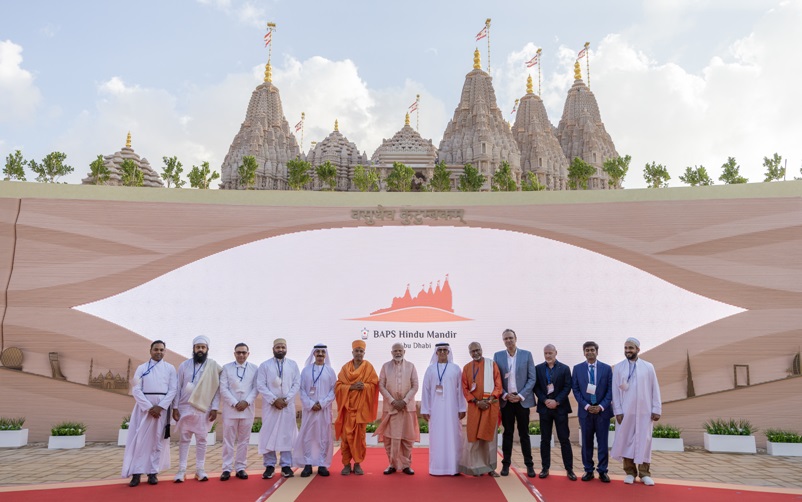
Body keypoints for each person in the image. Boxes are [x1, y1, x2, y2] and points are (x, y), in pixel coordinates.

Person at [122, 340, 177, 487]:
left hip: (162, 410)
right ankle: (136, 473)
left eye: (161, 350)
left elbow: (173, 390)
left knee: (157, 441)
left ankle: (153, 472)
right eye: (156, 349)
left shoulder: (170, 368)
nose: (159, 352)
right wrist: (148, 407)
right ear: (150, 351)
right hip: (144, 409)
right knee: (140, 440)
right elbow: (136, 389)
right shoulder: (141, 368)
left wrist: (160, 407)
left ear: (165, 351)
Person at [611, 337, 662, 486]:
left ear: (638, 349)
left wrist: (656, 409)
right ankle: (630, 473)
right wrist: (618, 411)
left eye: (630, 348)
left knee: (644, 441)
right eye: (626, 348)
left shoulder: (648, 367)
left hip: (645, 412)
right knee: (626, 441)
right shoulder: (619, 367)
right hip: (626, 413)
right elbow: (615, 390)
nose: (628, 351)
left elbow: (655, 388)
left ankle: (645, 473)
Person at [172, 335, 221, 483]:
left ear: (207, 349)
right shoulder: (184, 366)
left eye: (203, 347)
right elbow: (177, 388)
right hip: (185, 407)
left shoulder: (212, 366)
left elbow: (216, 390)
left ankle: (200, 469)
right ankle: (181, 470)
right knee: (184, 439)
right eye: (197, 347)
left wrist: (215, 408)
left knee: (202, 440)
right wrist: (175, 407)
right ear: (193, 349)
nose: (200, 350)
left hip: (203, 409)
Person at [493, 329, 537, 477]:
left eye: (511, 338)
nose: (508, 341)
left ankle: (529, 465)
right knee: (508, 433)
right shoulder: (498, 356)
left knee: (524, 434)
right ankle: (506, 465)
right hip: (506, 401)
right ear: (503, 341)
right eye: (505, 339)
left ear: (516, 338)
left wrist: (520, 395)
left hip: (522, 401)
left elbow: (532, 378)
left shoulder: (527, 355)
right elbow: (496, 379)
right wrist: (505, 395)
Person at [257, 338, 301, 479]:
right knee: (269, 434)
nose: (280, 349)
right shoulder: (265, 366)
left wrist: (286, 399)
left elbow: (296, 383)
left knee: (286, 435)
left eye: (283, 347)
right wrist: (274, 400)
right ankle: (269, 466)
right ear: (273, 349)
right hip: (271, 407)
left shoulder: (293, 365)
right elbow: (260, 385)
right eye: (278, 347)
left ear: (286, 348)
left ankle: (286, 466)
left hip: (287, 407)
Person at [420, 343, 466, 476]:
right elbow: (426, 390)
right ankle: (437, 468)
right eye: (439, 350)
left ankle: (453, 467)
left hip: (452, 409)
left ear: (448, 352)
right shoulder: (430, 370)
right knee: (437, 437)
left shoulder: (456, 369)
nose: (442, 352)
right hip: (435, 409)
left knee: (453, 437)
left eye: (444, 350)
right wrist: (425, 409)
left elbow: (460, 391)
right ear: (436, 353)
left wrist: (462, 407)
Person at [334, 340, 379, 476]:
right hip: (347, 409)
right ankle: (346, 464)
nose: (359, 353)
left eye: (361, 351)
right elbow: (338, 386)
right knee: (346, 438)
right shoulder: (345, 368)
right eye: (356, 351)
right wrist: (351, 387)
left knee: (360, 438)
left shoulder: (369, 367)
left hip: (361, 410)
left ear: (364, 353)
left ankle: (358, 463)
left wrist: (364, 386)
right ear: (352, 352)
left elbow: (374, 384)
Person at [571, 341, 613, 483]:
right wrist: (586, 406)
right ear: (584, 352)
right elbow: (575, 390)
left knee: (602, 443)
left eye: (592, 350)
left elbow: (610, 390)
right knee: (586, 443)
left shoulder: (607, 369)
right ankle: (588, 470)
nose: (590, 352)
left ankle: (603, 471)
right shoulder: (577, 369)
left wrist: (601, 406)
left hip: (602, 412)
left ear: (597, 352)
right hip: (586, 412)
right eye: (587, 350)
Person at [293, 343, 337, 477]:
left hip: (323, 410)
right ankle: (308, 464)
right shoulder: (306, 370)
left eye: (322, 352)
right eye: (317, 352)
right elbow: (301, 389)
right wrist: (311, 404)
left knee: (323, 436)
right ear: (313, 354)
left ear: (325, 355)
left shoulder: (330, 371)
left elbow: (333, 390)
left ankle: (322, 464)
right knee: (308, 436)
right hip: (309, 410)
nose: (320, 355)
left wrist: (322, 403)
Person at [459, 342, 502, 477]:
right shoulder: (466, 368)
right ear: (469, 353)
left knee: (489, 437)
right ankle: (476, 467)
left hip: (490, 406)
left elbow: (498, 385)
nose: (475, 353)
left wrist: (489, 400)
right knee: (474, 437)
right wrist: (477, 402)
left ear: (482, 350)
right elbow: (465, 388)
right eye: (472, 351)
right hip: (475, 407)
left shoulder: (491, 364)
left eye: (477, 350)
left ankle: (490, 468)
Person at [534, 344, 575, 480]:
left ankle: (569, 469)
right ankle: (545, 468)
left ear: (556, 353)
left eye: (550, 353)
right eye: (545, 353)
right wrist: (545, 400)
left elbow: (567, 386)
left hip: (560, 408)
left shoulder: (564, 368)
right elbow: (537, 388)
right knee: (545, 439)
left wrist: (556, 401)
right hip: (545, 408)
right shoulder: (538, 368)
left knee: (564, 439)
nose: (548, 356)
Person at [377, 343, 419, 475]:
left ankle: (406, 465)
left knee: (407, 438)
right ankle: (392, 464)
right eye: (395, 351)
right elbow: (381, 386)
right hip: (391, 408)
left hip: (407, 408)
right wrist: (393, 401)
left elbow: (415, 386)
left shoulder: (411, 366)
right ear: (391, 353)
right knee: (390, 438)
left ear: (404, 351)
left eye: (400, 350)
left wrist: (404, 401)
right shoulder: (385, 366)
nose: (398, 353)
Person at [219, 342, 258, 481]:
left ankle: (241, 467)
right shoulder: (226, 368)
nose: (241, 355)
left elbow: (256, 388)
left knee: (244, 440)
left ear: (248, 353)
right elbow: (223, 388)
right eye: (238, 352)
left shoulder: (254, 369)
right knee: (228, 440)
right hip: (231, 409)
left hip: (247, 409)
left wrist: (246, 402)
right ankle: (226, 468)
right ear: (234, 353)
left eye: (244, 352)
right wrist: (235, 403)